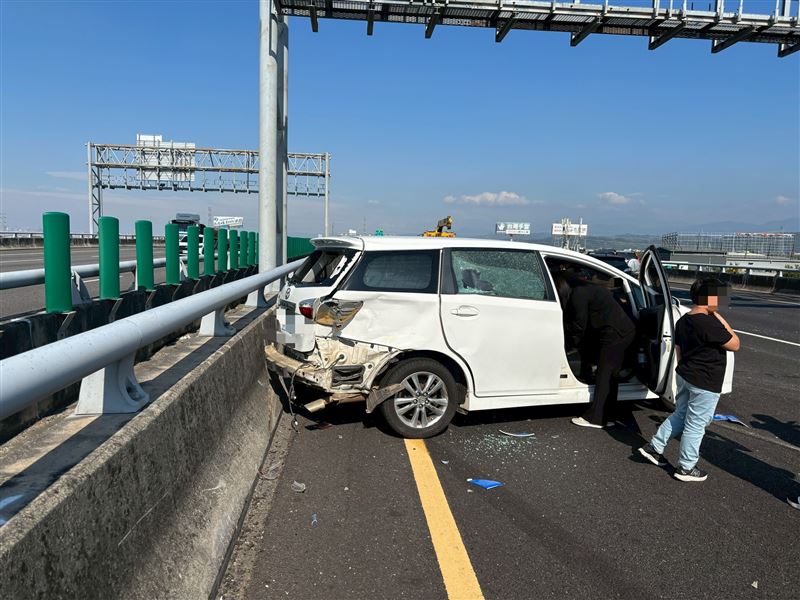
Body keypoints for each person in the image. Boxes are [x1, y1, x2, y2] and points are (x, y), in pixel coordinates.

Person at [639, 277, 740, 482]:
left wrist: (682, 370)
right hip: (705, 380)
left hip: (686, 374)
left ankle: (655, 447)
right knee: (696, 425)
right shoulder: (710, 322)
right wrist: (719, 317)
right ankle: (686, 467)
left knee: (681, 414)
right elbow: (735, 343)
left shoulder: (683, 320)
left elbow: (679, 350)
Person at [554, 271, 636, 429]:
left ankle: (596, 418)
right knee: (611, 376)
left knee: (604, 375)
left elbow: (579, 326)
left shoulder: (578, 294)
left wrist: (567, 346)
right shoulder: (585, 289)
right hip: (621, 331)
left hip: (615, 334)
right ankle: (609, 416)